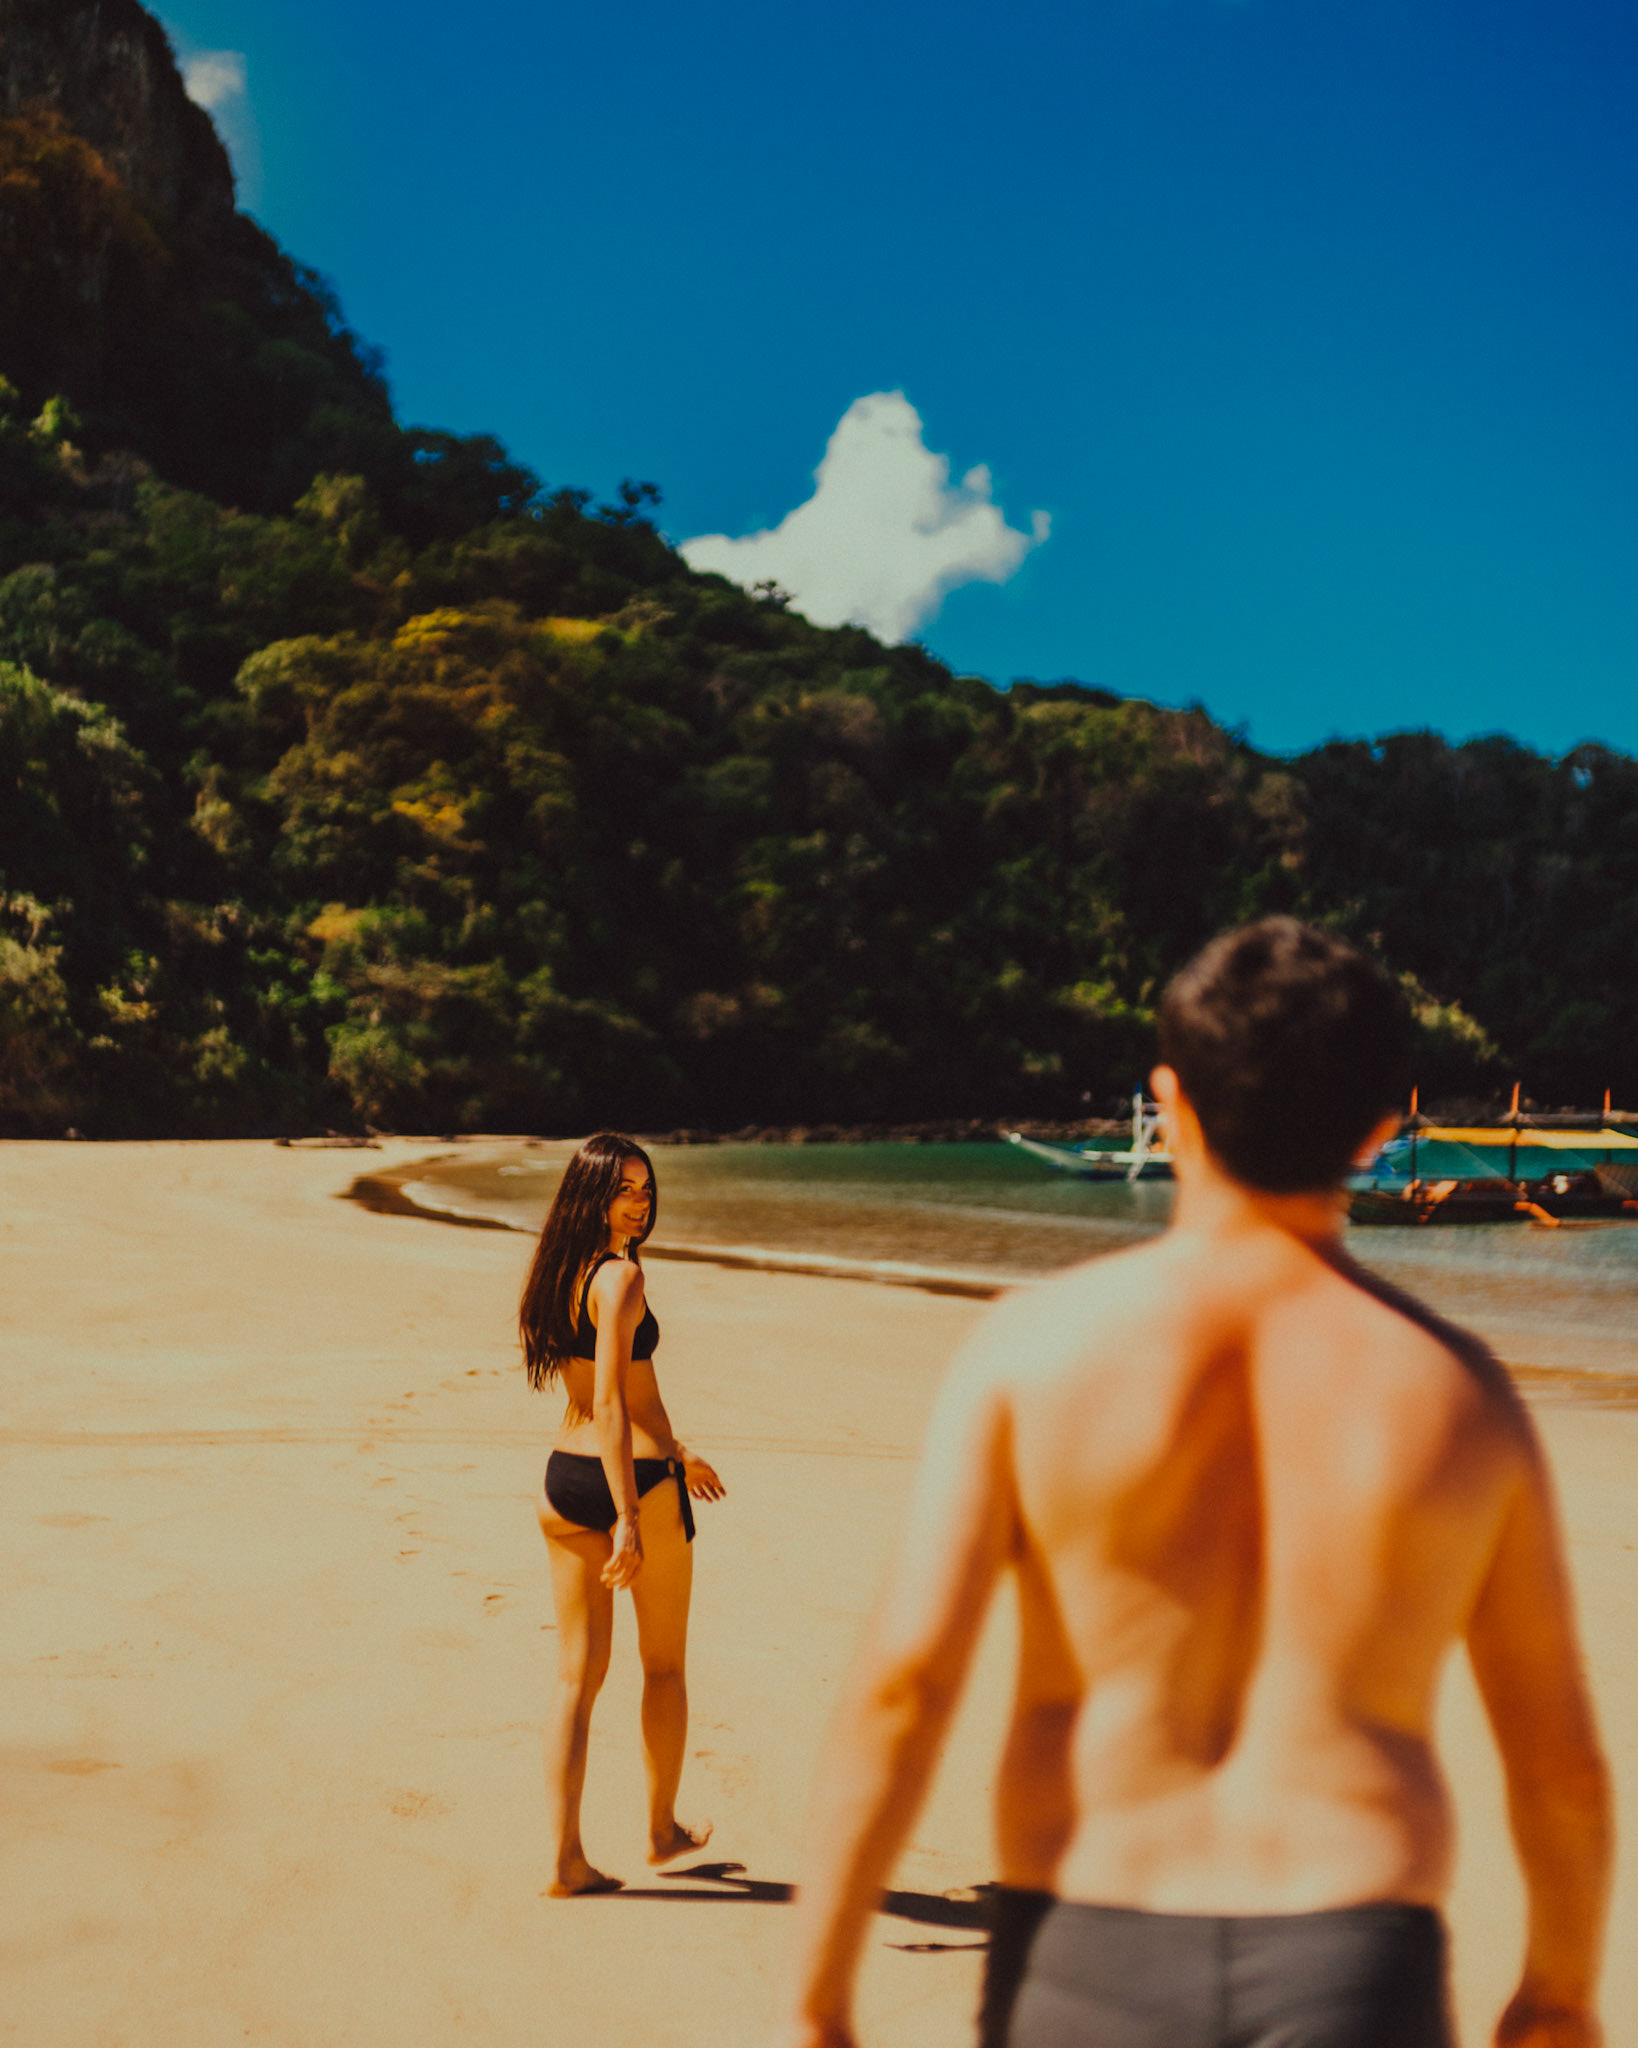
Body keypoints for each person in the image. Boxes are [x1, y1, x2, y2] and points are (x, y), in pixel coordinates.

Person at [770, 918, 1612, 2048]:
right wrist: (1557, 1994)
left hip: (1086, 1943)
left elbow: (904, 1686)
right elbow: (1556, 1760)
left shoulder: (1032, 1351)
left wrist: (816, 2002)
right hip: (1353, 1957)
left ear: (1171, 1102)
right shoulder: (1458, 1395)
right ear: (1382, 1124)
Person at [520, 1131, 725, 1897]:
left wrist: (680, 1448)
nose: (639, 1201)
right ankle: (660, 1830)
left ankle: (564, 1859)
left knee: (575, 1677)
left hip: (563, 1479)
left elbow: (614, 1395)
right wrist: (634, 1515)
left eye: (646, 1187)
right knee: (663, 1664)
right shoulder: (623, 1280)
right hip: (628, 1480)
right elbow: (613, 1399)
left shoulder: (561, 1270)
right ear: (593, 1194)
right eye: (624, 1188)